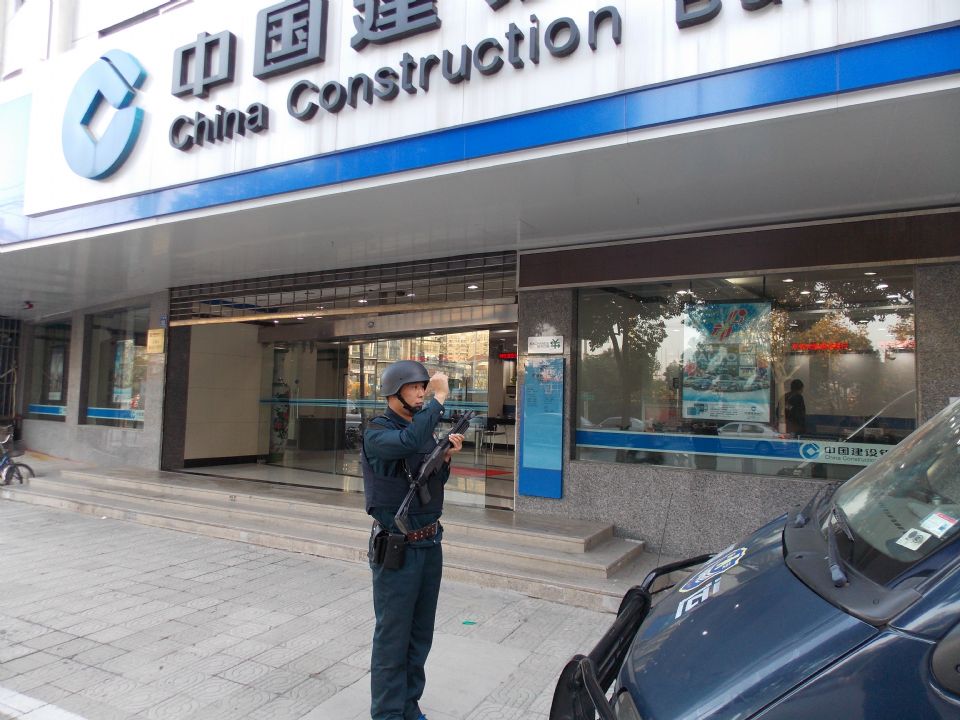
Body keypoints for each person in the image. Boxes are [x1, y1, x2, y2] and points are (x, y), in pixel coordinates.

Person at [361, 360, 464, 720]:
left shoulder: (421, 431)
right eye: (415, 387)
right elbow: (406, 442)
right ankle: (388, 713)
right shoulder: (378, 431)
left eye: (425, 387)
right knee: (393, 637)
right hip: (398, 547)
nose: (422, 393)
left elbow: (428, 486)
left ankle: (408, 704)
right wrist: (439, 399)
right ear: (394, 392)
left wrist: (444, 459)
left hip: (429, 544)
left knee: (420, 634)